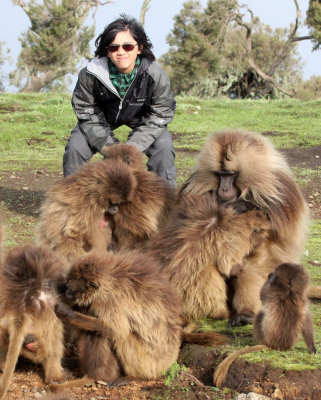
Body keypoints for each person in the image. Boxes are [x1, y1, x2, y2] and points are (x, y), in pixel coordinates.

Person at [63, 14, 176, 186]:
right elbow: (86, 112)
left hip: (142, 118)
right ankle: (73, 204)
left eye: (128, 46)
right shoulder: (90, 74)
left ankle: (164, 207)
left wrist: (130, 150)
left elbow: (161, 113)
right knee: (75, 148)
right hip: (100, 119)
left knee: (164, 148)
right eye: (114, 47)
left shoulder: (155, 74)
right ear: (108, 51)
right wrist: (111, 149)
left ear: (139, 48)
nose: (121, 52)